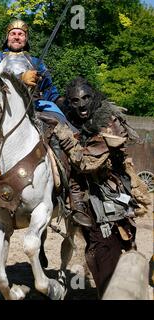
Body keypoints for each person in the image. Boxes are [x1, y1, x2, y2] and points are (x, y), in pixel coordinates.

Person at [53, 77, 151, 297]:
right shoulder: (76, 118)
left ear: (94, 96)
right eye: (75, 101)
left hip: (109, 194)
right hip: (88, 198)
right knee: (96, 249)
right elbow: (55, 102)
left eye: (86, 98)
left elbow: (87, 162)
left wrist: (66, 138)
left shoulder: (109, 122)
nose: (82, 105)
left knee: (107, 249)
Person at [0, 19, 64, 108]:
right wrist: (20, 78)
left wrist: (63, 102)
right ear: (7, 37)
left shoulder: (36, 62)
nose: (16, 37)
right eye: (13, 34)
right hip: (1, 104)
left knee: (59, 119)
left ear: (26, 39)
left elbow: (48, 89)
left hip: (33, 106)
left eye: (21, 34)